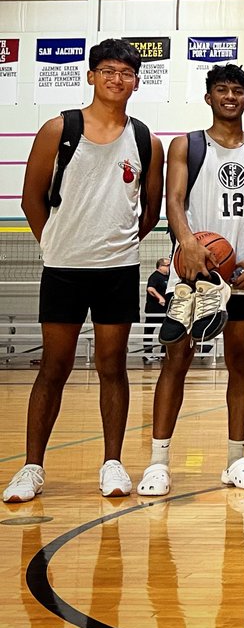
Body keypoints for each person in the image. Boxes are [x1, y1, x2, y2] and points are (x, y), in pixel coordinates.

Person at [4, 39, 164, 503]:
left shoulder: (145, 139)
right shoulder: (59, 129)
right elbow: (31, 197)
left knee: (113, 365)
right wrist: (52, 242)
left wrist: (123, 241)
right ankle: (32, 467)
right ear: (91, 76)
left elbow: (150, 208)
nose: (118, 79)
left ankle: (113, 463)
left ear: (137, 81)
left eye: (127, 73)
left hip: (116, 267)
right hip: (64, 267)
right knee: (54, 367)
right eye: (108, 70)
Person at [136, 64, 244, 497]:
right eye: (222, 90)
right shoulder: (187, 145)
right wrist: (187, 243)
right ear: (209, 98)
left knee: (240, 362)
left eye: (238, 90)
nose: (230, 96)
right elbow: (173, 199)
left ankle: (236, 459)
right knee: (176, 361)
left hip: (243, 273)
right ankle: (158, 462)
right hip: (196, 271)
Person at [143, 257, 171, 362]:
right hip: (154, 310)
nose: (169, 267)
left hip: (165, 311)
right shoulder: (155, 277)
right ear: (160, 266)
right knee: (149, 331)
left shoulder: (168, 277)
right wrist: (159, 297)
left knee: (166, 332)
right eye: (167, 265)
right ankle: (147, 354)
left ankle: (164, 353)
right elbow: (150, 288)